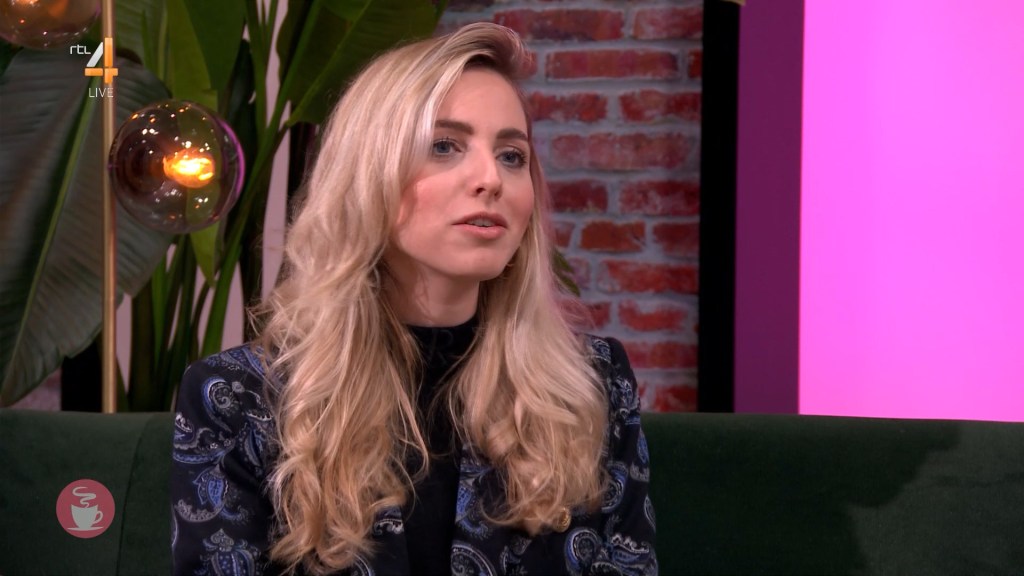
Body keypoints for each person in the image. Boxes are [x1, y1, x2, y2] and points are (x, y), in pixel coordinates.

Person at [171, 22, 657, 576]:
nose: (490, 179)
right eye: (444, 146)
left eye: (512, 155)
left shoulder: (591, 386)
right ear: (367, 176)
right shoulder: (238, 398)